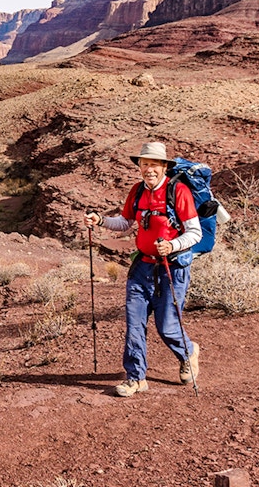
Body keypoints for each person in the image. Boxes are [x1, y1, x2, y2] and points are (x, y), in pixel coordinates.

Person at [85, 141, 202, 397]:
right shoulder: (137, 191)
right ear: (139, 166)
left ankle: (188, 352)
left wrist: (172, 245)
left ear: (164, 167)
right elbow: (126, 223)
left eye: (154, 164)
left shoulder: (178, 191)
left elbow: (195, 233)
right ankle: (135, 377)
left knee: (167, 326)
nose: (149, 169)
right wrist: (101, 220)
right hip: (142, 267)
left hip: (172, 269)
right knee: (134, 323)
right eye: (145, 163)